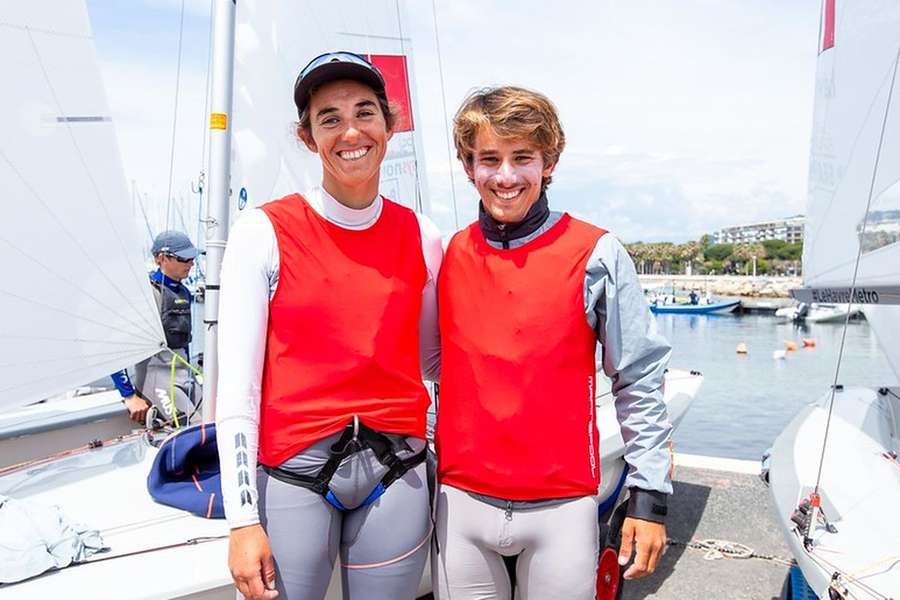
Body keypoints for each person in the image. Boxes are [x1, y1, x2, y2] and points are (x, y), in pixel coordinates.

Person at [215, 52, 442, 600]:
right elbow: (237, 389)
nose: (351, 132)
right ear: (307, 135)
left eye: (366, 112)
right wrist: (242, 521)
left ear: (389, 125)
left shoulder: (423, 235)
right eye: (329, 118)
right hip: (295, 475)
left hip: (398, 470)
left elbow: (434, 363)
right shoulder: (262, 231)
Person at [433, 86, 673, 600]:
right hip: (461, 505)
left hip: (562, 507)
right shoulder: (449, 255)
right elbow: (430, 365)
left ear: (549, 163)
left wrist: (649, 496)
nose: (505, 176)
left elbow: (638, 379)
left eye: (523, 158)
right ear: (468, 166)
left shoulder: (596, 253)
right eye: (489, 159)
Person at [111, 230, 198, 424]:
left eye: (192, 257)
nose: (191, 263)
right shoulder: (146, 295)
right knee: (196, 429)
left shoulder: (184, 293)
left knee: (215, 424)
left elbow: (184, 344)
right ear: (162, 258)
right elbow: (114, 347)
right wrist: (129, 396)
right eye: (184, 258)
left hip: (184, 376)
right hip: (156, 378)